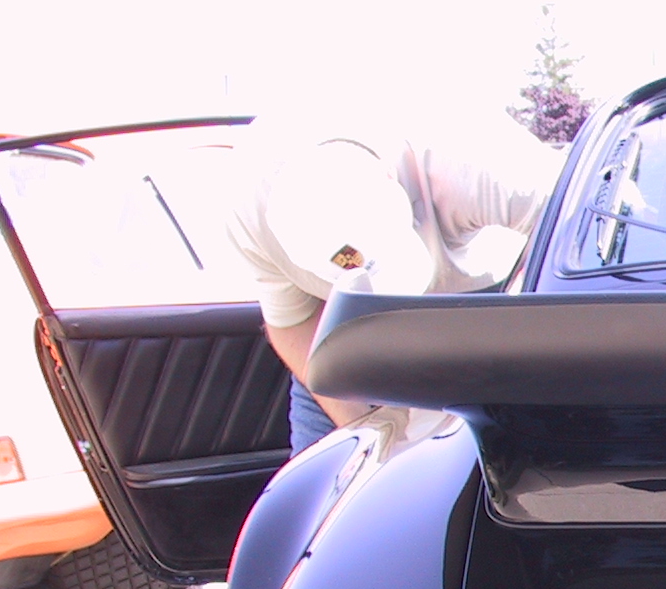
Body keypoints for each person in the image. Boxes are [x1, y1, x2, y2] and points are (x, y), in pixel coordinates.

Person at [226, 116, 561, 451]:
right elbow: (293, 324)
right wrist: (368, 433)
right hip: (346, 331)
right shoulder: (250, 213)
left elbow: (577, 241)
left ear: (389, 176)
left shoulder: (476, 155)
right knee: (326, 474)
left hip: (487, 305)